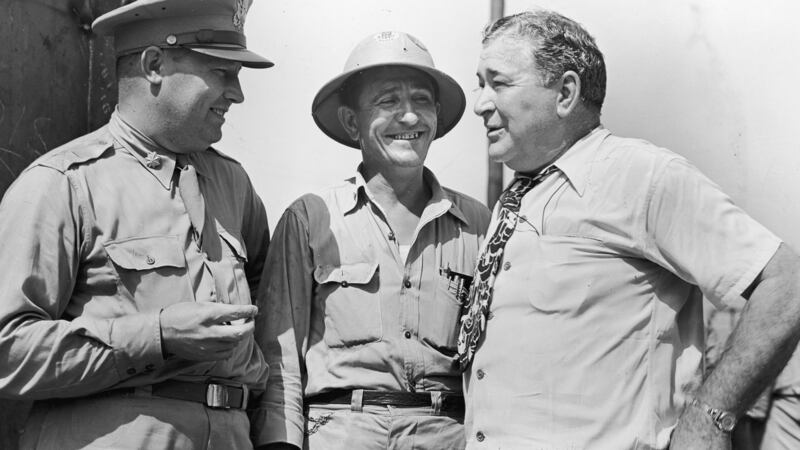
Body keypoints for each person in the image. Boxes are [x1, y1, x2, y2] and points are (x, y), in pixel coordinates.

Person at [458, 9, 800, 449]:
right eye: (479, 83)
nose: (479, 103)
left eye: (498, 82)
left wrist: (710, 419)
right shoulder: (516, 201)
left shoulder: (642, 176)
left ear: (565, 92)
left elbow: (787, 282)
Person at [0, 0, 273, 448]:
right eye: (222, 72)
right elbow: (7, 352)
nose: (237, 94)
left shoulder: (234, 185)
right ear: (153, 65)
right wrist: (158, 336)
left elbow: (270, 319)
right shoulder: (64, 184)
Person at [250, 31, 491, 450]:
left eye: (420, 100)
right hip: (340, 430)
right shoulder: (310, 218)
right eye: (388, 101)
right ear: (351, 121)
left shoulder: (476, 223)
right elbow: (280, 360)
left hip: (447, 433)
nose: (409, 117)